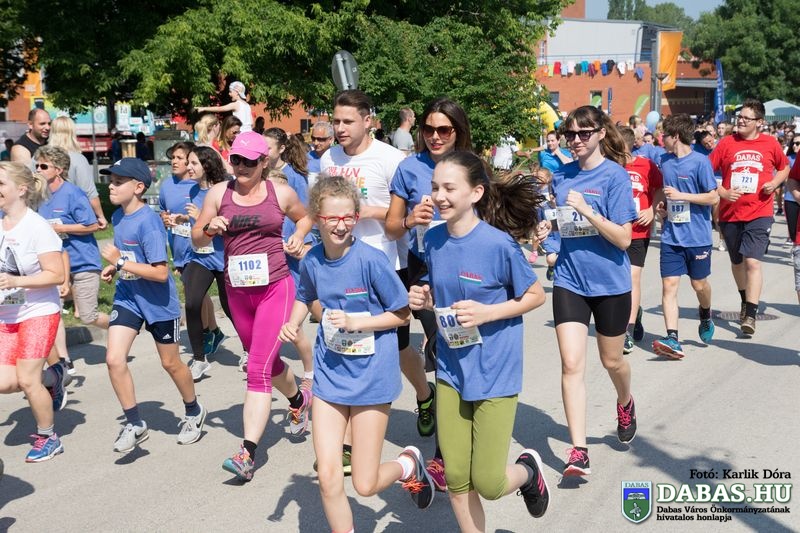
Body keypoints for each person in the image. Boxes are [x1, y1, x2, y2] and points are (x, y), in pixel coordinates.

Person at [280, 176, 434, 533]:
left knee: (365, 484)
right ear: (317, 218)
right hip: (330, 376)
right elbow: (305, 295)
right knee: (328, 475)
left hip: (371, 378)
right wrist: (293, 322)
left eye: (348, 217)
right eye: (331, 218)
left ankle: (408, 465)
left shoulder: (371, 261)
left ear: (356, 216)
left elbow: (402, 314)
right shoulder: (313, 260)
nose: (340, 225)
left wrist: (357, 322)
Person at [408, 151, 550, 529]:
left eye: (449, 188)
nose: (439, 196)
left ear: (475, 193)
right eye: (435, 187)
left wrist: (488, 313)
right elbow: (439, 287)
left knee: (488, 482)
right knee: (456, 477)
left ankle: (528, 471)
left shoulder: (498, 245)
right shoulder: (433, 239)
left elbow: (535, 295)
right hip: (451, 368)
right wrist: (424, 295)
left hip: (494, 370)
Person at [191, 132, 312, 481]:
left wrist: (298, 235)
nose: (241, 166)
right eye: (235, 160)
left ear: (264, 162)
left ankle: (247, 454)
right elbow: (196, 237)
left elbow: (306, 217)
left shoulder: (280, 193)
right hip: (238, 292)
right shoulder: (219, 193)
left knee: (257, 368)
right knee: (267, 362)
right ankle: (299, 400)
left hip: (276, 287)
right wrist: (209, 228)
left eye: (248, 161)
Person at [321, 89, 430, 474]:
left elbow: (408, 216)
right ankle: (349, 442)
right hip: (342, 265)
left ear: (368, 121)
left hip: (385, 263)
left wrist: (371, 211)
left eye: (347, 121)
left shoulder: (390, 159)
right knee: (349, 345)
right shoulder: (328, 159)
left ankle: (424, 394)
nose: (339, 128)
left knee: (396, 349)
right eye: (336, 121)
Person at [386, 96, 473, 491]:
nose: (435, 136)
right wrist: (409, 219)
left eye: (444, 129)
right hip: (422, 270)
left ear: (457, 131)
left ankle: (463, 431)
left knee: (460, 350)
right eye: (428, 129)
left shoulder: (473, 166)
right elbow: (391, 226)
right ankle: (442, 453)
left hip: (466, 270)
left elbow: (490, 220)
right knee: (441, 347)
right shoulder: (409, 168)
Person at [551, 105, 637, 477]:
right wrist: (547, 238)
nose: (575, 140)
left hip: (610, 284)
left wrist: (588, 211)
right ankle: (579, 450)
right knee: (571, 364)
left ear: (601, 133)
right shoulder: (560, 177)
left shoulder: (615, 176)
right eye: (570, 134)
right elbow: (559, 226)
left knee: (611, 361)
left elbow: (624, 239)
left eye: (583, 133)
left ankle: (625, 401)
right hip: (569, 280)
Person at [98, 158, 206, 452]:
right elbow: (131, 257)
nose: (111, 187)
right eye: (111, 181)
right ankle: (135, 423)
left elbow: (160, 273)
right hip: (128, 297)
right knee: (114, 359)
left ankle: (194, 411)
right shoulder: (118, 217)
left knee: (170, 363)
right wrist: (116, 267)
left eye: (118, 182)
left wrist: (120, 262)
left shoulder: (149, 223)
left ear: (138, 187)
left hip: (158, 302)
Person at [0, 162, 66, 462]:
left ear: (21, 189)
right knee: (5, 383)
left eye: (1, 184)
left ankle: (48, 437)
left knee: (27, 380)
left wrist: (17, 281)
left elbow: (56, 274)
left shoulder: (37, 227)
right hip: (7, 313)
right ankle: (53, 377)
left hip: (38, 311)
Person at [709, 99, 790, 336]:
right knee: (737, 263)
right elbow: (706, 172)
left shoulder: (770, 143)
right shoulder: (726, 143)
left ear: (759, 122)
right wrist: (722, 192)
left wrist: (775, 182)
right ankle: (745, 299)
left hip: (759, 212)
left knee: (752, 262)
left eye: (747, 118)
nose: (741, 121)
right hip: (730, 213)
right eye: (740, 117)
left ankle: (751, 315)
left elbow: (784, 167)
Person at [650, 114, 719, 359]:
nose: (661, 139)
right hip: (671, 236)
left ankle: (706, 313)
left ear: (676, 136)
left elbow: (713, 197)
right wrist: (662, 210)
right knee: (669, 285)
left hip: (697, 237)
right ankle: (672, 337)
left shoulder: (700, 162)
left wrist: (682, 196)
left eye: (665, 135)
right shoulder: (664, 161)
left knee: (699, 285)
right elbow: (664, 193)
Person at [35, 146, 108, 377]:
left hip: (83, 261)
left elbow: (93, 225)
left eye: (43, 166)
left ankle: (123, 326)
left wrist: (61, 228)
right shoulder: (40, 196)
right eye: (37, 165)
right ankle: (64, 360)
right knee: (53, 311)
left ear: (59, 169)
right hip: (54, 265)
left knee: (87, 316)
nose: (38, 169)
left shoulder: (74, 193)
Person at [182, 146, 231, 381]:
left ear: (207, 165)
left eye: (194, 163)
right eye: (188, 163)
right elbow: (196, 226)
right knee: (192, 303)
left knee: (231, 308)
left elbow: (230, 226)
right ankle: (199, 359)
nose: (188, 167)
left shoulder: (225, 190)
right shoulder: (192, 190)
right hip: (200, 257)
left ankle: (249, 351)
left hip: (223, 257)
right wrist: (182, 219)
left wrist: (201, 217)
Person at [618, 127, 662, 353]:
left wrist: (651, 210)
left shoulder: (646, 165)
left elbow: (660, 189)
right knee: (618, 281)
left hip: (638, 231)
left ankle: (627, 330)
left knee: (633, 277)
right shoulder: (608, 167)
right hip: (614, 232)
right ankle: (634, 312)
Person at [48, 116, 108, 229]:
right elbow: (89, 192)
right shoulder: (78, 159)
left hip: (45, 216)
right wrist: (100, 216)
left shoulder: (37, 159)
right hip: (73, 220)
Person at [307, 121, 334, 188]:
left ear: (331, 139)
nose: (315, 143)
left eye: (320, 139)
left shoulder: (338, 158)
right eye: (313, 138)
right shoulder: (304, 159)